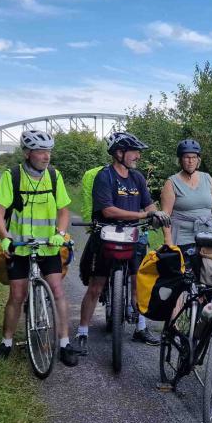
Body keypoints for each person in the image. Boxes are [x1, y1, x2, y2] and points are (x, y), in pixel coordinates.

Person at [0, 130, 79, 367]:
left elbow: (63, 211)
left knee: (58, 292)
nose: (46, 156)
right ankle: (6, 342)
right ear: (28, 153)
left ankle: (64, 343)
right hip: (20, 248)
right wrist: (5, 238)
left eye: (48, 151)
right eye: (41, 151)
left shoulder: (54, 176)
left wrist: (60, 233)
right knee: (17, 295)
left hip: (48, 247)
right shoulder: (13, 176)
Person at [76, 132, 170, 352]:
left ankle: (141, 326)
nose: (138, 155)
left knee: (139, 282)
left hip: (132, 236)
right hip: (107, 234)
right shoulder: (105, 176)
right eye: (134, 151)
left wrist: (155, 214)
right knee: (96, 286)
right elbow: (107, 210)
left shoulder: (137, 178)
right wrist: (142, 216)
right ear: (119, 153)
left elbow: (148, 205)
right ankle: (82, 332)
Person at [160, 139, 212, 258]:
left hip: (208, 236)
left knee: (210, 272)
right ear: (180, 160)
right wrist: (168, 241)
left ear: (198, 159)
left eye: (194, 157)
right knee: (186, 274)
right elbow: (165, 216)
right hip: (182, 239)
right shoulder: (171, 183)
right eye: (186, 157)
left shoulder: (207, 178)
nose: (190, 161)